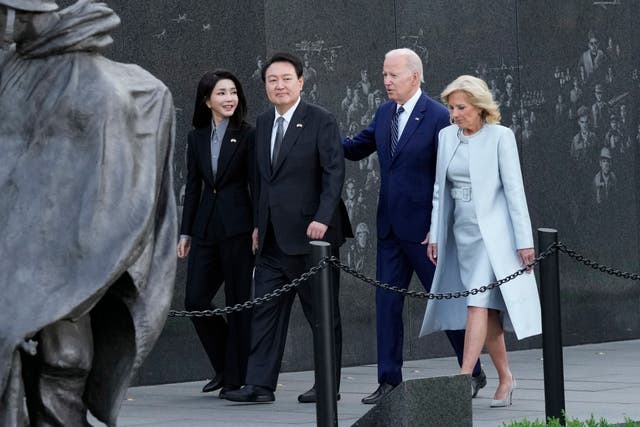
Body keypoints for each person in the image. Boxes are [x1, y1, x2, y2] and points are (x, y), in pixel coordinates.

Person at [0, 1, 176, 425]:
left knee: (65, 353)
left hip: (71, 241)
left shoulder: (97, 84)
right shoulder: (12, 68)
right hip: (14, 237)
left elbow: (113, 195)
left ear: (16, 14)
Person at [342, 48, 484, 405]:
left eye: (393, 75)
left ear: (414, 77)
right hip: (390, 230)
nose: (386, 81)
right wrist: (320, 137)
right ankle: (389, 381)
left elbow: (452, 175)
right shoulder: (384, 112)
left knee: (446, 304)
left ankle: (473, 372)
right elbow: (356, 147)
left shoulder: (438, 116)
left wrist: (441, 227)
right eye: (384, 74)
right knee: (387, 305)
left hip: (426, 233)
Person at [225, 52, 351, 403]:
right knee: (264, 312)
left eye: (286, 79)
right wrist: (256, 224)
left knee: (322, 316)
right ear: (265, 86)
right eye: (272, 80)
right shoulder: (263, 122)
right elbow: (260, 179)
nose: (279, 85)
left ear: (300, 82)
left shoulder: (320, 120)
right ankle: (260, 385)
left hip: (312, 239)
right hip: (270, 240)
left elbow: (333, 172)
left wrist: (323, 218)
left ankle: (327, 386)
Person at [420, 75, 541, 408]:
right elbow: (438, 191)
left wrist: (524, 241)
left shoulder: (501, 137)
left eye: (461, 107)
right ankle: (506, 377)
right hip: (461, 233)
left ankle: (462, 379)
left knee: (476, 302)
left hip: (494, 236)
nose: (454, 114)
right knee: (487, 313)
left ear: (479, 106)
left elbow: (514, 191)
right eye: (451, 108)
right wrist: (436, 231)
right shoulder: (446, 137)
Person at [177, 69, 255, 398]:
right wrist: (186, 233)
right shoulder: (196, 137)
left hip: (239, 229)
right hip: (205, 229)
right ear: (207, 100)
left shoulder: (248, 134)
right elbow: (193, 187)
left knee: (239, 302)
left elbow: (258, 183)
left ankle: (237, 376)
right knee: (195, 300)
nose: (229, 99)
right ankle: (225, 365)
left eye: (233, 92)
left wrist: (258, 226)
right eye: (222, 93)